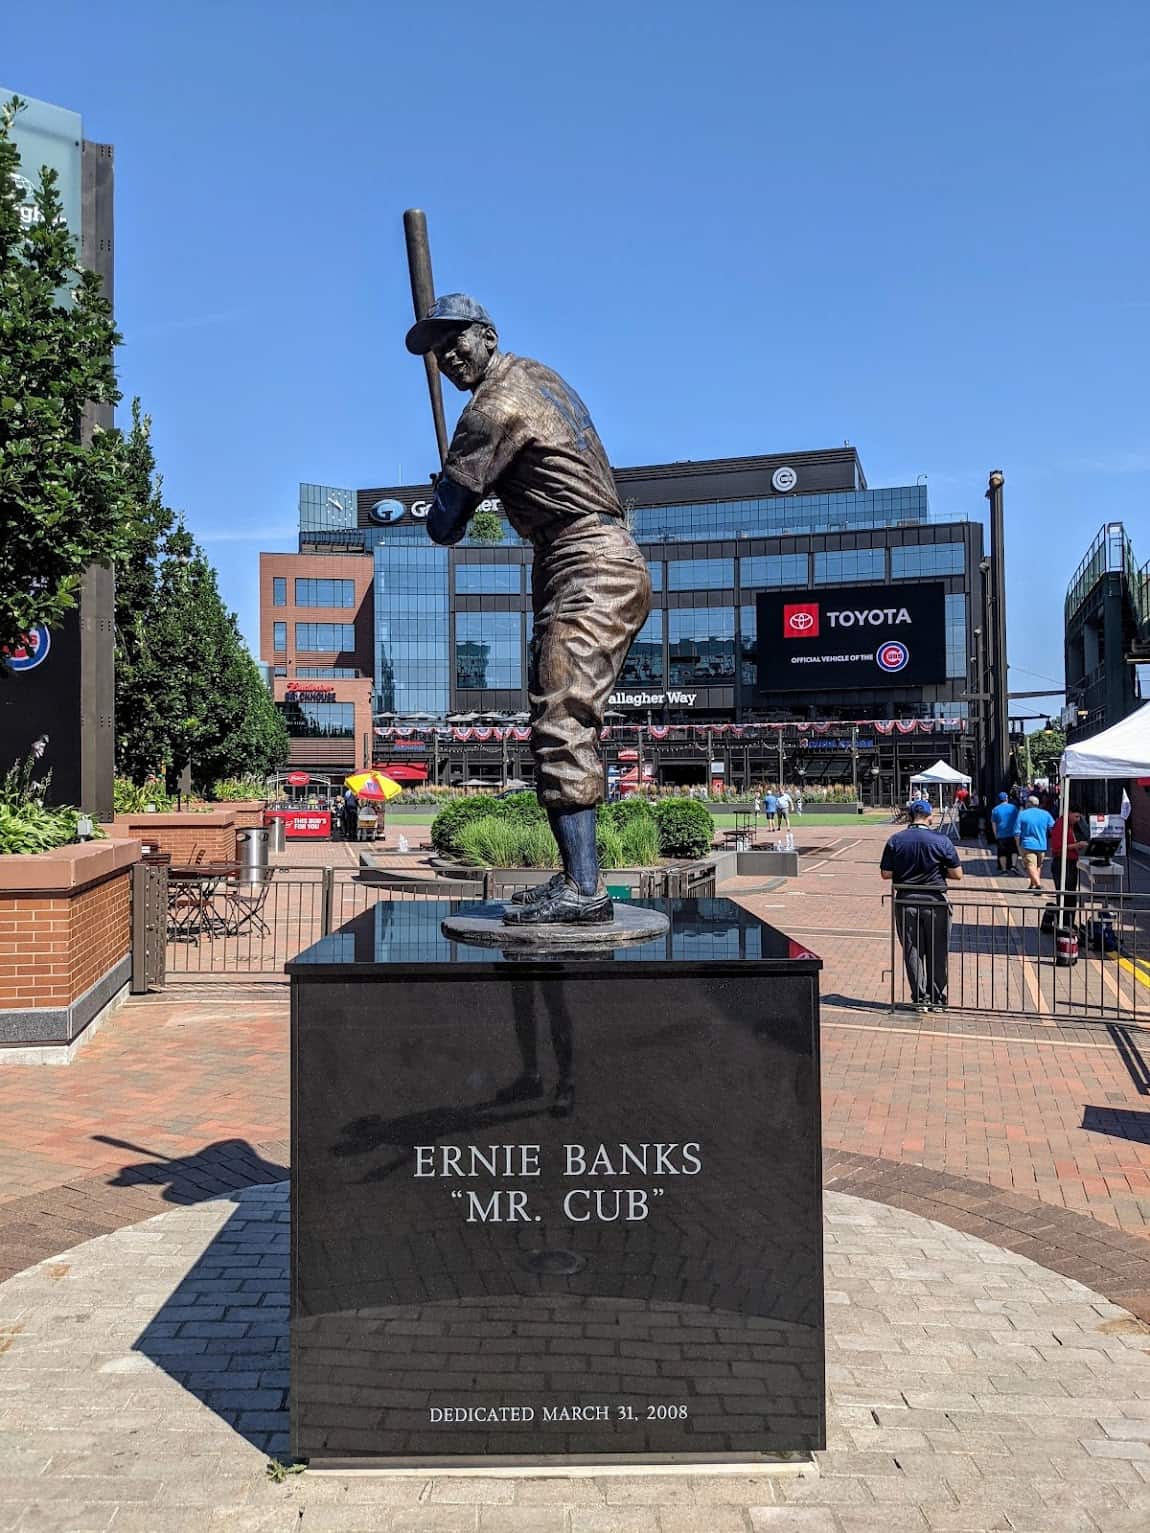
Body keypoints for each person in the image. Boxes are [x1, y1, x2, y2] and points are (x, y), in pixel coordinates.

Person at [408, 295, 650, 925]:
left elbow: (444, 527)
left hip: (588, 560)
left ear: (488, 335)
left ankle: (585, 889)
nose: (449, 356)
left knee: (560, 718)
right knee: (556, 710)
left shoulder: (491, 407)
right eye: (439, 350)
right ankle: (577, 878)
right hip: (582, 555)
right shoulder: (537, 375)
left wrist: (446, 487)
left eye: (457, 340)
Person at [880, 799, 963, 1012]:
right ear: (930, 817)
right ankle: (937, 997)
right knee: (937, 950)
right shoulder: (941, 840)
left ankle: (920, 998)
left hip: (906, 900)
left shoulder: (895, 840)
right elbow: (958, 874)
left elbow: (885, 873)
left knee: (912, 951)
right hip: (935, 900)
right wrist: (940, 871)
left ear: (909, 816)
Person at [1049, 804, 1088, 914]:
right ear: (1069, 813)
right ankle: (1065, 922)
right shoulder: (1060, 825)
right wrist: (1076, 845)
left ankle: (1069, 921)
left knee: (1070, 894)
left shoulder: (1069, 826)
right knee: (1066, 895)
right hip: (1063, 863)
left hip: (1071, 862)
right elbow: (1057, 848)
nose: (1078, 820)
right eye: (1076, 817)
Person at [1017, 794, 1056, 894]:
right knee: (1038, 866)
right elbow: (1053, 828)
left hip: (1027, 844)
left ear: (1029, 804)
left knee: (1030, 864)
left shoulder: (1022, 814)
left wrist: (1018, 845)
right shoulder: (1046, 814)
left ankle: (1038, 885)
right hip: (1042, 845)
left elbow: (1017, 832)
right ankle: (1032, 885)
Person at [989, 790, 1021, 874]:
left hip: (1001, 834)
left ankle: (1004, 870)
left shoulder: (995, 810)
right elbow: (1018, 820)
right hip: (1012, 833)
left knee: (1002, 853)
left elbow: (994, 824)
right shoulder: (1013, 808)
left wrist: (995, 834)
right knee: (1014, 851)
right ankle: (1013, 865)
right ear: (1007, 798)